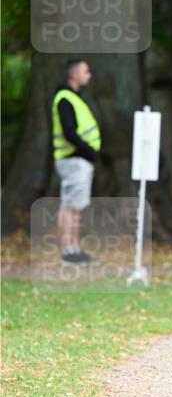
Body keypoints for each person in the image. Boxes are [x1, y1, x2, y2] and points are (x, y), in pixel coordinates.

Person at [51, 59, 101, 264]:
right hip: (73, 160)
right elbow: (69, 131)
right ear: (73, 75)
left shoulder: (74, 98)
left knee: (74, 207)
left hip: (77, 160)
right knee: (71, 206)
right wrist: (88, 151)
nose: (89, 74)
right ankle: (69, 250)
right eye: (85, 71)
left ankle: (74, 248)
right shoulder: (65, 99)